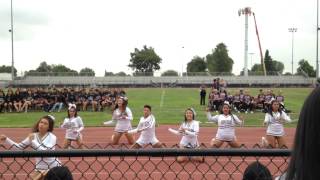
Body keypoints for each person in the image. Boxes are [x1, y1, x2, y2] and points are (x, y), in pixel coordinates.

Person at [276, 87, 320, 180]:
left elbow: (288, 119)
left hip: (280, 132)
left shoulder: (281, 112)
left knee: (281, 147)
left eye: (277, 104)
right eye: (275, 104)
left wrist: (286, 120)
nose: (276, 105)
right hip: (271, 132)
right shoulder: (269, 114)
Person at [0, 115, 60, 179]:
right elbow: (19, 148)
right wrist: (6, 139)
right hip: (39, 168)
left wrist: (33, 141)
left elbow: (45, 152)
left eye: (45, 123)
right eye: (41, 122)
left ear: (49, 127)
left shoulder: (52, 137)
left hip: (53, 167)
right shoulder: (33, 136)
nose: (41, 125)